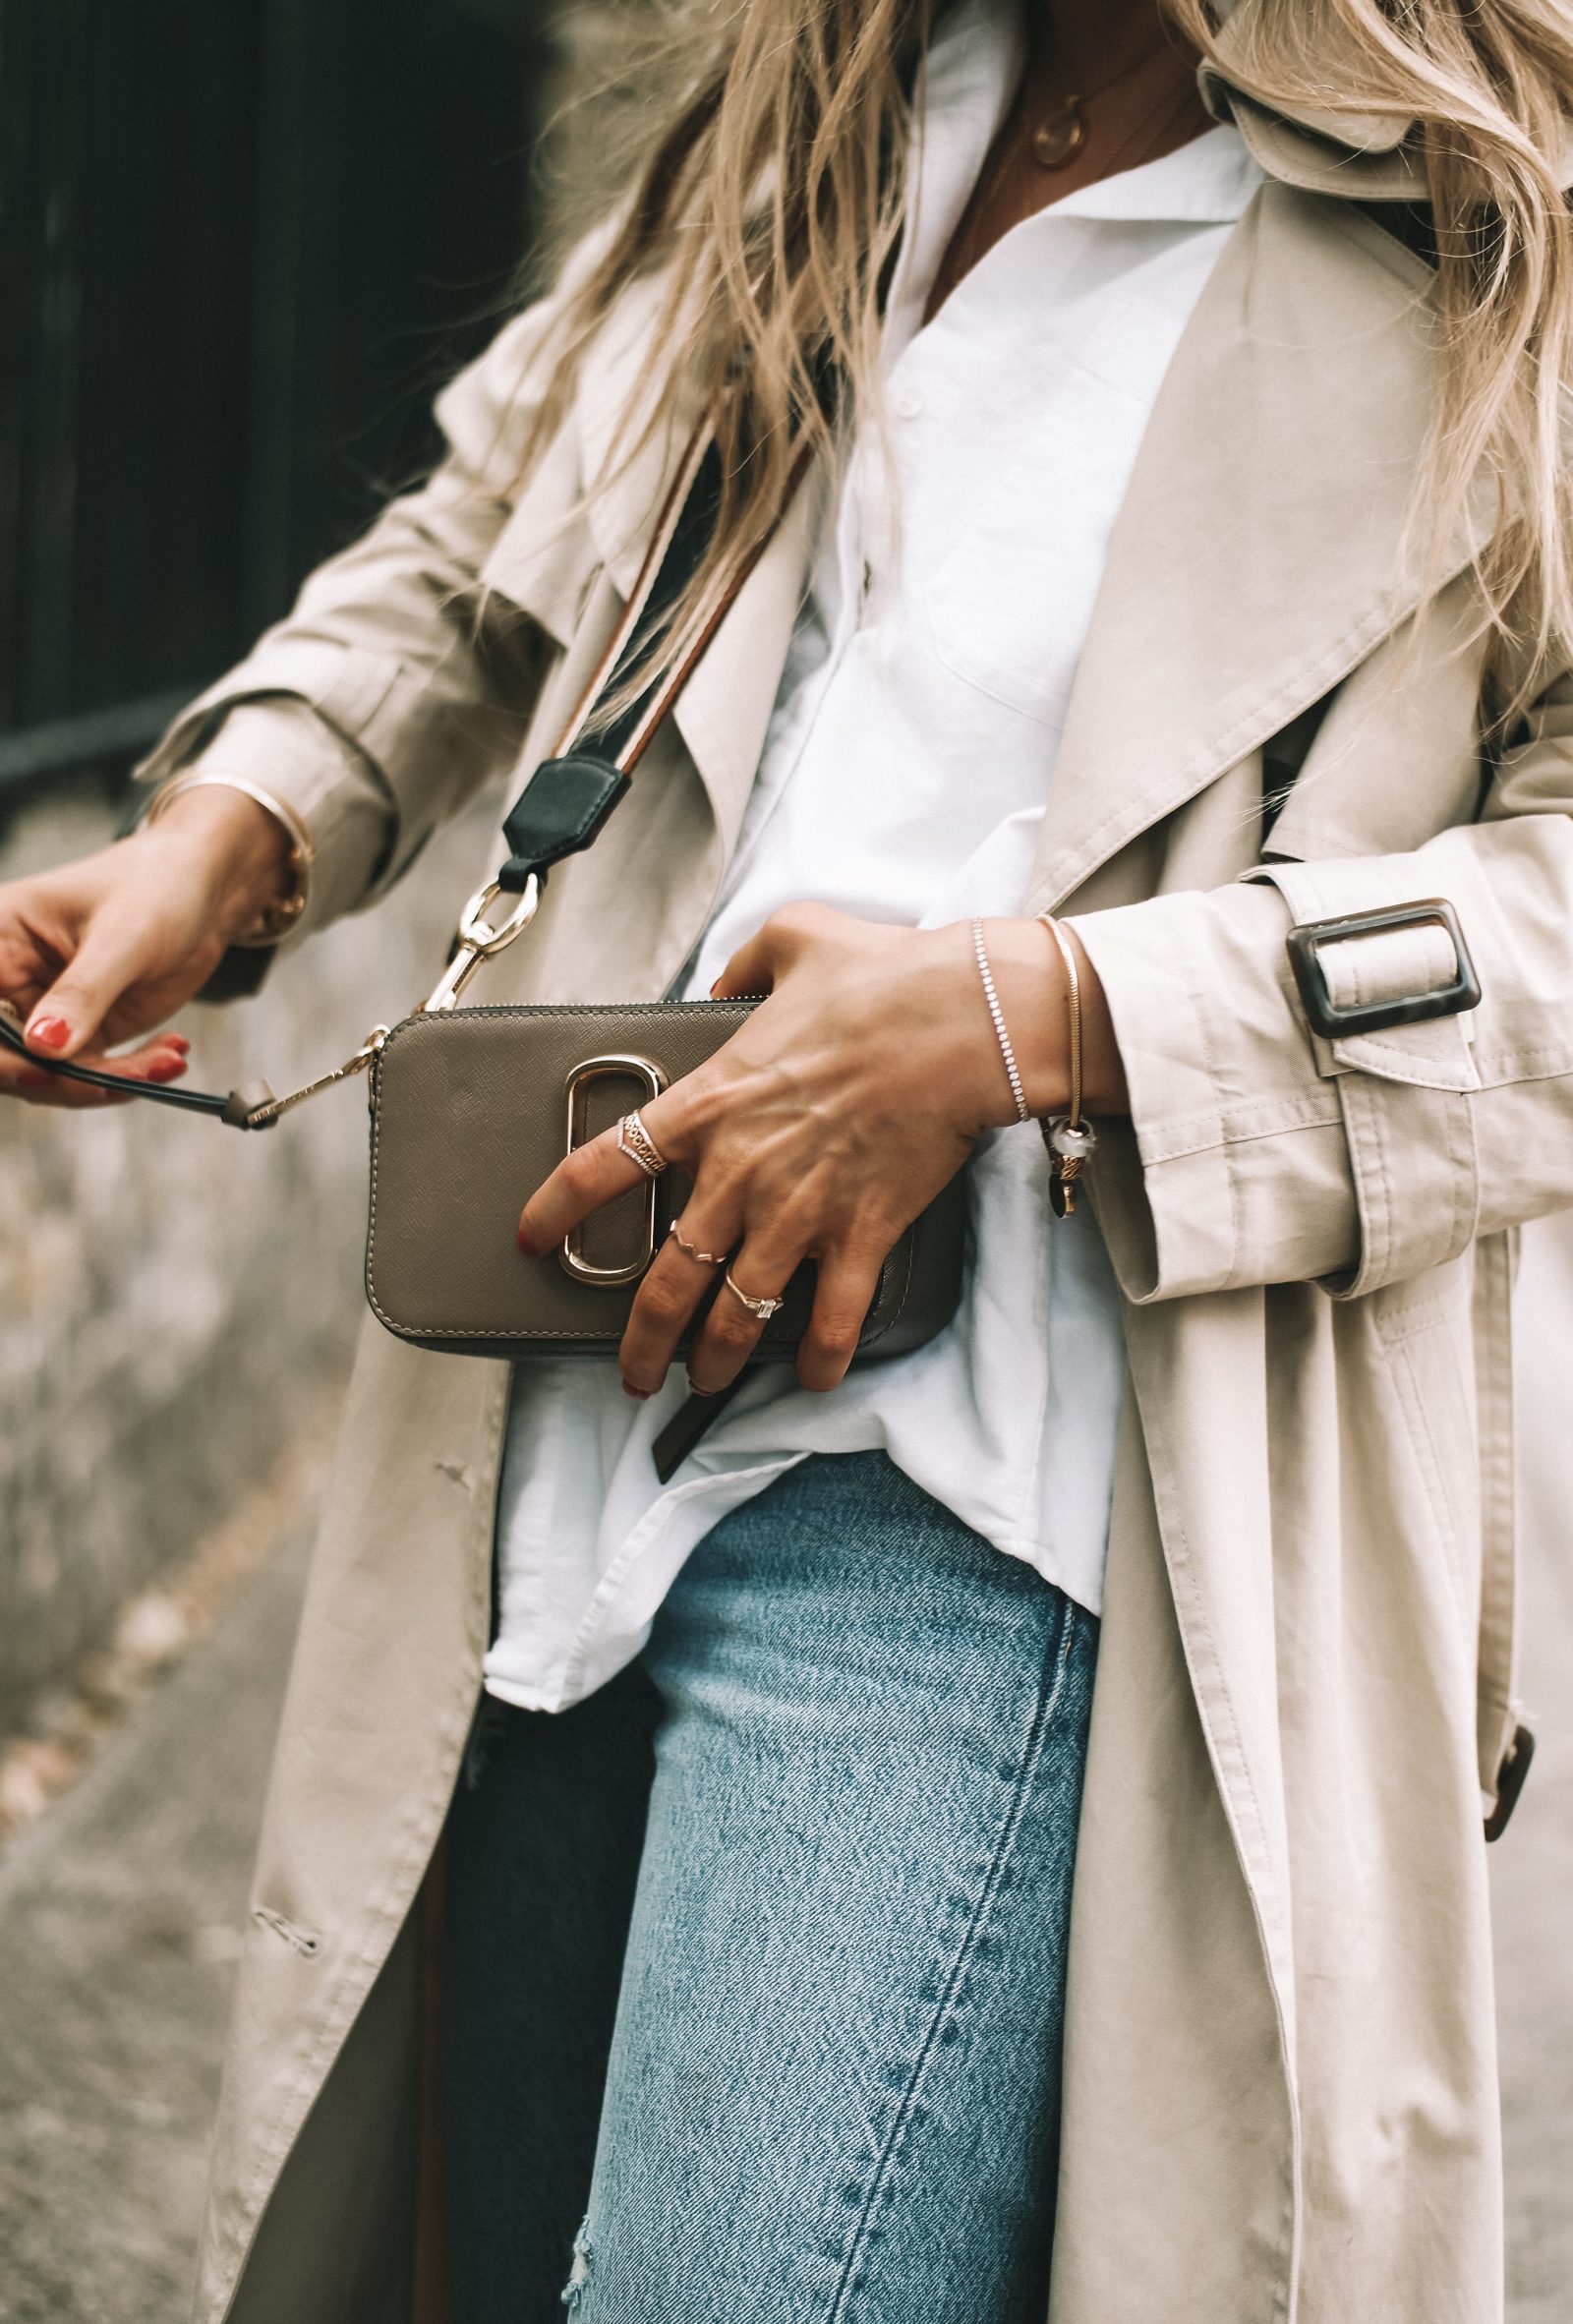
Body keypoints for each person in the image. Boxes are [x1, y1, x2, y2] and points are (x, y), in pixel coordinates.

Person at [2, 0, 1570, 2313]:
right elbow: (484, 543)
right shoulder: (824, 115)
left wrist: (1026, 1017)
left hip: (1001, 1504)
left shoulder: (1496, 231)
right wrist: (230, 837)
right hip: (561, 1430)